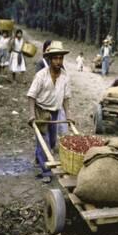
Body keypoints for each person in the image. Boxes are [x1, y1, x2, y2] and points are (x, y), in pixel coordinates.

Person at [27, 41, 72, 182]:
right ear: (49, 59)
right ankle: (46, 172)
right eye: (55, 58)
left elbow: (66, 98)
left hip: (55, 112)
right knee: (44, 142)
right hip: (41, 110)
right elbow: (31, 96)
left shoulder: (65, 76)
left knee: (52, 142)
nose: (59, 61)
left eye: (61, 58)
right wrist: (32, 114)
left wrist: (69, 115)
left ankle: (38, 157)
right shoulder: (41, 75)